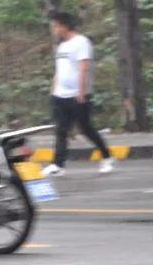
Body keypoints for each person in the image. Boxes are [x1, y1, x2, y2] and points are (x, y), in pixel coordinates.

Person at [43, 10, 113, 177]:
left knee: (86, 128)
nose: (54, 30)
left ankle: (107, 157)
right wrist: (54, 90)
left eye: (56, 26)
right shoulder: (62, 45)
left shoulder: (81, 42)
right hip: (60, 95)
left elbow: (84, 68)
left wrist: (81, 92)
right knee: (61, 130)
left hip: (77, 95)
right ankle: (57, 165)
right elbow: (59, 70)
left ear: (64, 26)